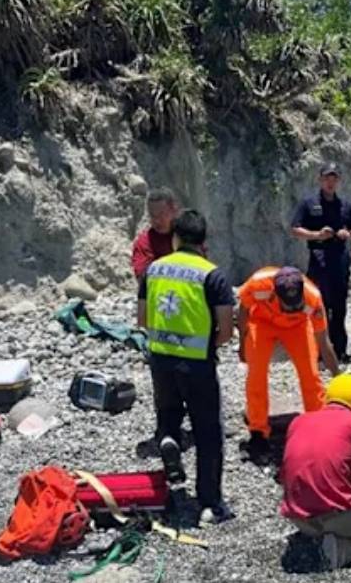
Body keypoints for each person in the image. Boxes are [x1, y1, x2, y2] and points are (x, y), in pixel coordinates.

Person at [137, 209, 235, 524]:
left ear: (175, 237)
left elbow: (142, 319)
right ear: (203, 240)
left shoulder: (153, 270)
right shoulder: (212, 275)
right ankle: (210, 503)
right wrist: (205, 344)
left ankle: (169, 438)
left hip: (160, 358)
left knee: (168, 412)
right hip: (196, 364)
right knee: (208, 431)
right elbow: (226, 330)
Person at [279, 374, 351, 570]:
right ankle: (344, 550)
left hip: (298, 518)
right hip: (333, 516)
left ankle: (322, 535)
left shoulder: (299, 421)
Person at [236, 266, 341, 462]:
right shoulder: (258, 284)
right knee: (256, 374)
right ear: (275, 294)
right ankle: (258, 432)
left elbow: (323, 342)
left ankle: (317, 425)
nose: (292, 309)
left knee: (311, 374)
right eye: (288, 306)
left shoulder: (313, 298)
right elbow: (243, 310)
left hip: (297, 327)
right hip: (262, 322)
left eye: (296, 305)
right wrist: (242, 343)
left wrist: (339, 378)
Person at [291, 163, 351, 361]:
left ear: (338, 181)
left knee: (340, 307)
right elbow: (295, 229)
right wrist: (317, 235)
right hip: (318, 259)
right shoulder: (308, 203)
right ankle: (319, 351)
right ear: (320, 180)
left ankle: (340, 351)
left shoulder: (345, 205)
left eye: (334, 178)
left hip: (340, 259)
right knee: (319, 307)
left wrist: (348, 234)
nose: (330, 182)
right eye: (327, 178)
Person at [131, 188, 179, 283]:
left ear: (174, 210)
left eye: (162, 214)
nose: (157, 220)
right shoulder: (145, 242)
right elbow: (143, 278)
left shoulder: (187, 235)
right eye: (152, 215)